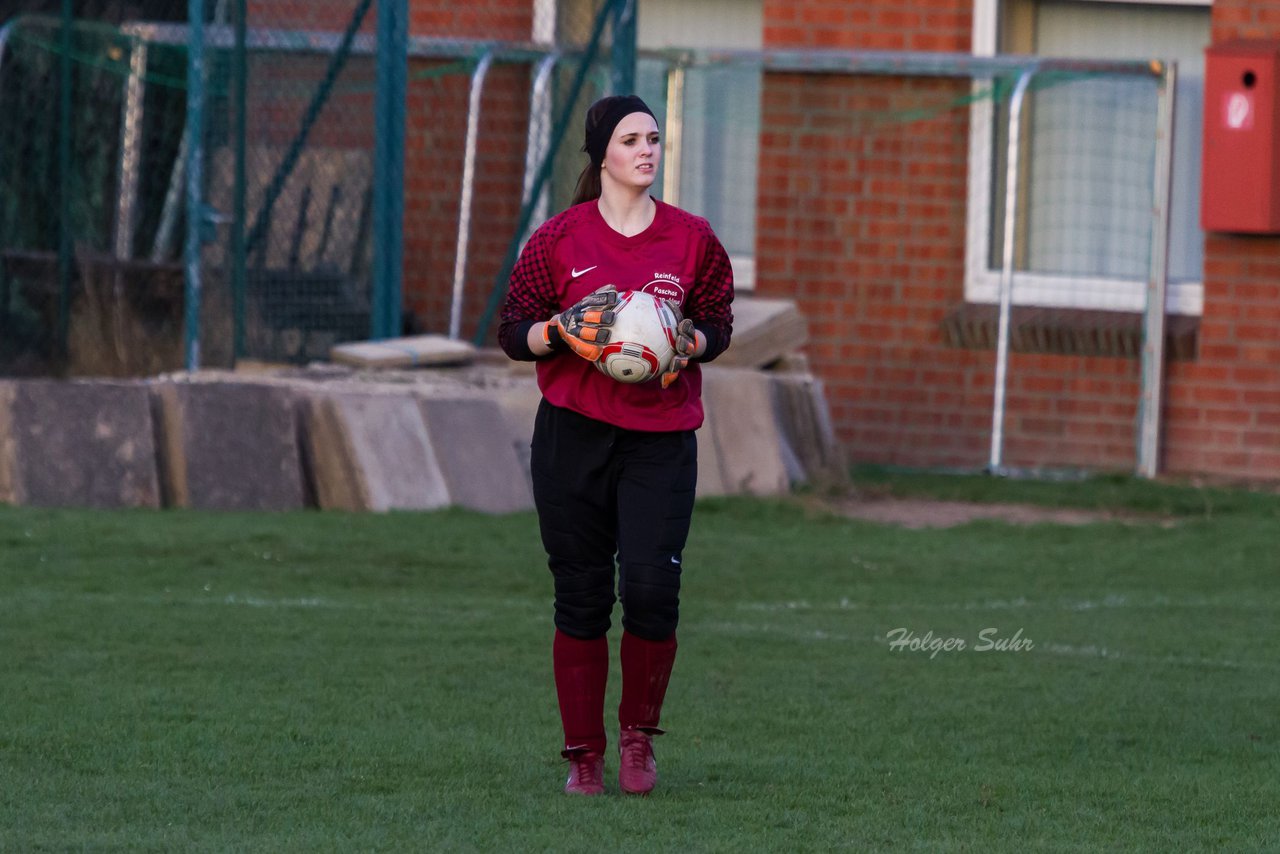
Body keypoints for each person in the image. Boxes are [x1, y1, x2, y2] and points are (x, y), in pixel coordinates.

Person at [498, 94, 734, 796]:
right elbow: (514, 330)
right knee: (581, 597)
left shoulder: (692, 239)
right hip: (573, 435)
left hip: (660, 439)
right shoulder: (558, 240)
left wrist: (686, 342)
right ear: (601, 153)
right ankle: (583, 757)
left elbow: (719, 321)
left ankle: (638, 741)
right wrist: (563, 332)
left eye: (655, 139)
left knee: (654, 591)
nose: (647, 150)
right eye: (632, 139)